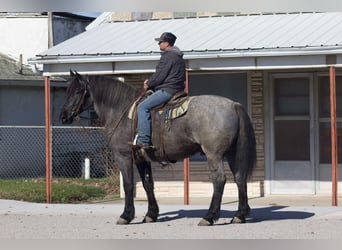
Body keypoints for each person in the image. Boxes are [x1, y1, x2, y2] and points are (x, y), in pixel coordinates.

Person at [135, 32, 186, 147]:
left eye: (161, 42)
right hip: (178, 90)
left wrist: (149, 83)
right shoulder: (178, 56)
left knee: (142, 107)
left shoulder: (168, 56)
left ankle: (143, 141)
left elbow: (160, 76)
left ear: (167, 43)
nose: (159, 44)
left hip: (168, 90)